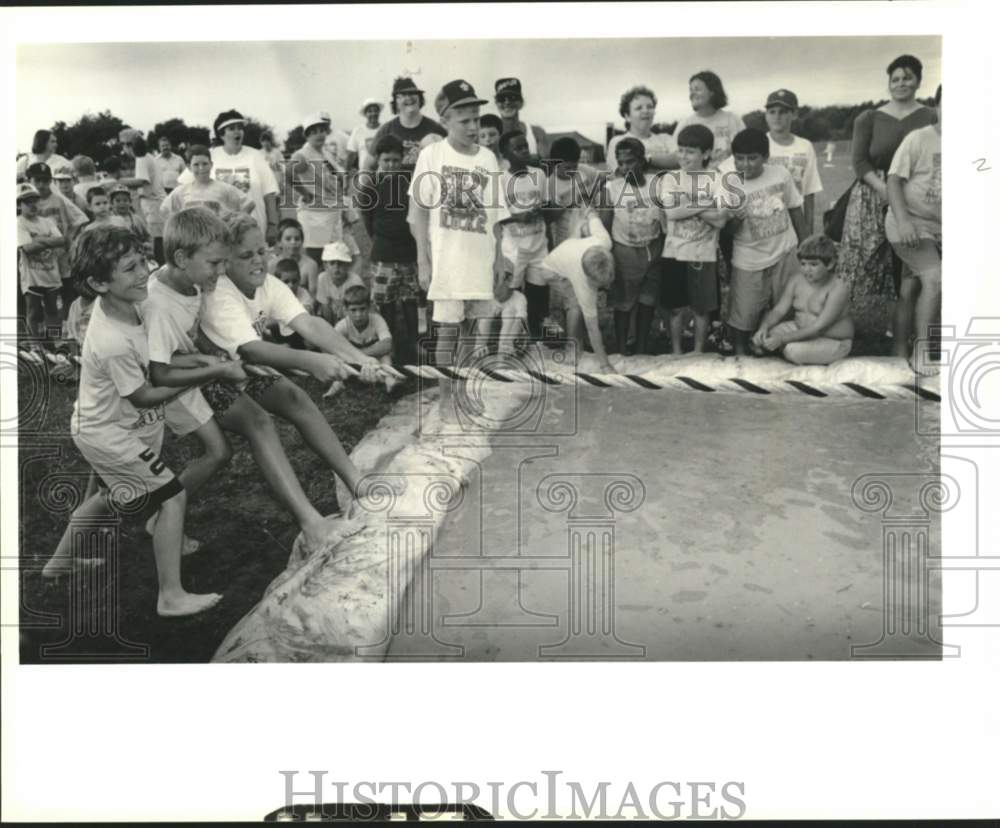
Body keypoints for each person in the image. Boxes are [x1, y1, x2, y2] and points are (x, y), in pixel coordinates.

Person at [42, 224, 223, 617]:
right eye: (130, 267)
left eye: (143, 261)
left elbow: (157, 360)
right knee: (172, 495)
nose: (144, 272)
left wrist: (199, 360)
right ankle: (170, 596)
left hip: (115, 427)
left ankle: (58, 565)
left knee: (108, 499)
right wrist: (209, 373)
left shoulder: (136, 304)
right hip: (109, 433)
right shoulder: (111, 339)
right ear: (97, 282)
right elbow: (144, 393)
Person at [147, 208, 343, 551]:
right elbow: (160, 366)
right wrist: (218, 365)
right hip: (175, 383)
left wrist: (212, 353)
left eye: (224, 262)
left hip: (207, 366)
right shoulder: (164, 298)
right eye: (216, 263)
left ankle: (356, 488)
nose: (220, 271)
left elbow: (196, 331)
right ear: (183, 258)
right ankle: (310, 522)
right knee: (250, 426)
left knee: (284, 402)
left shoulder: (196, 280)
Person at [198, 212, 391, 500]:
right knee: (259, 422)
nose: (258, 261)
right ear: (225, 262)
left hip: (243, 368)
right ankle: (308, 520)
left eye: (262, 251)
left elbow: (309, 323)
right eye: (246, 255)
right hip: (202, 376)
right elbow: (252, 348)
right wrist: (313, 361)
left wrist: (358, 358)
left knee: (295, 398)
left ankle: (355, 480)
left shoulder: (268, 285)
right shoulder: (220, 293)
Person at [408, 79, 511, 415]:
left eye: (476, 119)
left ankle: (465, 390)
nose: (472, 126)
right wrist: (423, 260)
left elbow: (495, 217)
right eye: (463, 119)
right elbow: (418, 214)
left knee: (472, 331)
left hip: (479, 257)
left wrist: (499, 259)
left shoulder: (488, 159)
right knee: (447, 331)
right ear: (445, 120)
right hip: (447, 259)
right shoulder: (432, 155)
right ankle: (447, 400)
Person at [841, 54, 936, 346]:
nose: (901, 83)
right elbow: (859, 161)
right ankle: (842, 326)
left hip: (917, 195)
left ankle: (908, 335)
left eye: (907, 77)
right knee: (862, 264)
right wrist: (882, 188)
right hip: (874, 191)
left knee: (910, 268)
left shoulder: (931, 116)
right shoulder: (869, 117)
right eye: (895, 79)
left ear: (918, 81)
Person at [722, 128, 807, 356]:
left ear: (765, 157)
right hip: (749, 257)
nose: (745, 164)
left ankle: (778, 348)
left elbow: (795, 209)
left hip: (785, 251)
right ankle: (740, 353)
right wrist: (734, 219)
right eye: (740, 158)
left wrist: (806, 245)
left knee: (786, 307)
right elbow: (726, 233)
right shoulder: (729, 184)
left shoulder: (780, 174)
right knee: (744, 311)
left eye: (752, 158)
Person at [885, 84, 941, 375]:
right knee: (934, 280)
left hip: (939, 227)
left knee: (911, 286)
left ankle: (898, 351)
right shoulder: (919, 139)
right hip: (908, 223)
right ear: (937, 106)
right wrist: (905, 220)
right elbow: (893, 180)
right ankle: (922, 352)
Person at [658, 124, 727, 354]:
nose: (683, 156)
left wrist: (686, 206)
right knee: (676, 308)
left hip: (703, 253)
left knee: (701, 308)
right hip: (674, 252)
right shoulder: (671, 178)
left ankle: (697, 351)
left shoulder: (716, 179)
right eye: (681, 150)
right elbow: (672, 213)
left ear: (706, 153)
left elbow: (720, 221)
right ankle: (676, 352)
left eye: (690, 151)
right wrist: (706, 203)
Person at [720, 89, 823, 232]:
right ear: (766, 115)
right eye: (772, 112)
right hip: (764, 221)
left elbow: (809, 191)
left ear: (794, 114)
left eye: (783, 112)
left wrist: (808, 231)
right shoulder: (757, 142)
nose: (777, 117)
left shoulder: (805, 146)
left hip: (794, 220)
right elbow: (725, 171)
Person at [359, 134, 420, 366]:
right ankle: (390, 344)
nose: (392, 165)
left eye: (396, 160)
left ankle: (414, 343)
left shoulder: (409, 183)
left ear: (402, 159)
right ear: (378, 160)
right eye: (387, 161)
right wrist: (379, 239)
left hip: (408, 252)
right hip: (383, 252)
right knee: (386, 301)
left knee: (410, 299)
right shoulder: (370, 187)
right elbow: (367, 220)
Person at [175, 110, 281, 243]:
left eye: (240, 128)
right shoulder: (210, 155)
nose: (238, 132)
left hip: (253, 227)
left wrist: (273, 225)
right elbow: (183, 186)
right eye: (231, 129)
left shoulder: (255, 156)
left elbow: (269, 193)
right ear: (221, 134)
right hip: (217, 232)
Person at [752, 234, 854, 365]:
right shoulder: (796, 280)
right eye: (803, 264)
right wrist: (763, 327)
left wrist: (782, 340)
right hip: (800, 329)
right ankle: (778, 346)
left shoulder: (838, 288)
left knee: (792, 351)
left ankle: (788, 349)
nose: (807, 270)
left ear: (830, 264)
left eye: (813, 264)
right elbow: (779, 311)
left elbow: (819, 328)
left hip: (832, 340)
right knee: (766, 337)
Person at [602, 138, 663, 355]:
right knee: (624, 302)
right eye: (622, 162)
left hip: (653, 248)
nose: (626, 167)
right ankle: (620, 348)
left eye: (631, 161)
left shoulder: (657, 183)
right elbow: (605, 223)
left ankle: (641, 346)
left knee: (648, 300)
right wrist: (607, 253)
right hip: (625, 251)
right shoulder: (613, 187)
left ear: (641, 160)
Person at [538, 209, 616, 372]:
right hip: (550, 269)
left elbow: (592, 214)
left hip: (572, 245)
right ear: (588, 277)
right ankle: (572, 348)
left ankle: (579, 343)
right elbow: (592, 327)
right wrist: (605, 365)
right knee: (575, 305)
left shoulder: (605, 241)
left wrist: (585, 210)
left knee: (581, 305)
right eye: (596, 284)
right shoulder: (581, 280)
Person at [287, 112, 358, 269]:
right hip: (315, 215)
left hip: (332, 211)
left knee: (334, 257)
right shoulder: (303, 154)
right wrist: (306, 194)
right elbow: (288, 173)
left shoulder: (324, 152)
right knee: (317, 258)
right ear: (306, 135)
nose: (319, 135)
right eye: (313, 132)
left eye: (321, 130)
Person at [499, 130, 549, 339]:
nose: (524, 151)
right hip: (514, 248)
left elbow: (546, 204)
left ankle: (535, 338)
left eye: (525, 146)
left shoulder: (538, 174)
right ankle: (509, 338)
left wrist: (542, 210)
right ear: (505, 154)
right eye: (517, 148)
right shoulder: (501, 179)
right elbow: (495, 217)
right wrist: (517, 217)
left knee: (538, 294)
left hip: (538, 245)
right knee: (510, 295)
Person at [26, 161, 89, 322]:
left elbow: (80, 218)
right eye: (37, 181)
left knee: (66, 297)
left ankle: (63, 334)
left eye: (45, 181)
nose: (41, 185)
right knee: (39, 304)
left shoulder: (58, 199)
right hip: (38, 263)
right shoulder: (25, 204)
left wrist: (69, 237)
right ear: (29, 180)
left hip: (61, 258)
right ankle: (40, 340)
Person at [17, 182, 65, 345]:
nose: (32, 204)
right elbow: (28, 248)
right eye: (27, 201)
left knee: (54, 309)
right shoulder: (19, 223)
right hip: (32, 275)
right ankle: (35, 344)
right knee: (34, 311)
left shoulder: (47, 222)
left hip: (51, 272)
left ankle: (56, 341)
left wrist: (39, 240)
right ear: (19, 205)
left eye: (35, 200)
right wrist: (48, 240)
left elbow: (61, 240)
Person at [367, 77, 447, 171]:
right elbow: (367, 165)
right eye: (403, 95)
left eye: (413, 93)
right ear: (396, 102)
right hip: (395, 185)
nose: (408, 98)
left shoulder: (436, 129)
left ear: (420, 98)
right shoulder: (386, 130)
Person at [335, 283, 402, 391]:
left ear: (369, 307)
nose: (358, 314)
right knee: (338, 361)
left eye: (362, 309)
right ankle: (337, 384)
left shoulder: (376, 319)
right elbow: (334, 348)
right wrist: (356, 358)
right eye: (353, 310)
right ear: (345, 310)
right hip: (353, 362)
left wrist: (361, 354)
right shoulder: (342, 325)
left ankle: (389, 381)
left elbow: (387, 344)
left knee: (386, 358)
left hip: (374, 359)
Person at [160, 144, 254, 220]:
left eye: (205, 164)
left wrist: (236, 221)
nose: (201, 168)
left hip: (218, 239)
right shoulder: (182, 191)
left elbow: (249, 204)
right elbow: (164, 209)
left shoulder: (224, 188)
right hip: (192, 240)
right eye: (196, 165)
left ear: (211, 165)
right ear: (189, 167)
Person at [543, 136, 604, 247]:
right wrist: (570, 199)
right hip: (566, 238)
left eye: (574, 166)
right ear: (554, 165)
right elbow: (549, 217)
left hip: (589, 232)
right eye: (567, 168)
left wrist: (592, 192)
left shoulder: (584, 170)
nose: (572, 170)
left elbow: (602, 179)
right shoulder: (550, 184)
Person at [676, 71, 745, 169]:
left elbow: (746, 152)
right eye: (690, 90)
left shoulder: (732, 119)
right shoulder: (685, 123)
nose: (692, 94)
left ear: (712, 92)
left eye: (697, 89)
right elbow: (676, 157)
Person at [119, 130, 167, 264]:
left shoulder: (141, 159)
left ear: (129, 145)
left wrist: (117, 181)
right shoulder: (148, 157)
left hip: (153, 203)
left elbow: (142, 181)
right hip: (155, 202)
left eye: (124, 146)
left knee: (157, 242)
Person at [606, 85, 679, 172]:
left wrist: (647, 160)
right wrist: (665, 162)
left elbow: (681, 160)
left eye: (650, 107)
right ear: (627, 116)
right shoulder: (618, 141)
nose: (646, 111)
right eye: (639, 108)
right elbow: (623, 173)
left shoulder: (666, 139)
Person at [493, 77, 548, 160]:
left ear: (521, 102)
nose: (507, 102)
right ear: (496, 104)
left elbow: (546, 165)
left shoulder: (536, 133)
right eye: (501, 99)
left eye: (512, 98)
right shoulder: (489, 136)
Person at [268, 218, 321, 301]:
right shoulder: (272, 265)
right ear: (279, 242)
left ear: (302, 241)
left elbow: (313, 297)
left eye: (297, 239)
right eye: (288, 239)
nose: (293, 242)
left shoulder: (310, 265)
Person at [316, 241, 364, 326]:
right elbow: (325, 306)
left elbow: (359, 307)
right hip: (332, 314)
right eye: (332, 263)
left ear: (348, 265)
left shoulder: (355, 280)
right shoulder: (322, 278)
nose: (336, 267)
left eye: (341, 263)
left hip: (352, 315)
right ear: (325, 265)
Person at [270, 258, 312, 350]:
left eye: (294, 281)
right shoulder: (271, 295)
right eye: (286, 282)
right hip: (277, 334)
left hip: (297, 333)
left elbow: (305, 316)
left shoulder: (303, 293)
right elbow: (266, 322)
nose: (291, 285)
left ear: (299, 280)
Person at [346, 98, 383, 173]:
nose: (373, 113)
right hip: (364, 174)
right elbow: (351, 154)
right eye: (370, 111)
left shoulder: (385, 128)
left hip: (382, 174)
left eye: (376, 110)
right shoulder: (358, 130)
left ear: (379, 112)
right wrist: (346, 173)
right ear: (365, 114)